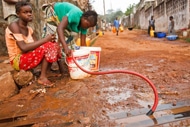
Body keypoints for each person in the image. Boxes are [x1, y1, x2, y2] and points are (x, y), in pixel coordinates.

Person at [5, 1, 63, 87]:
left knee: (53, 44)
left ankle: (58, 72)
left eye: (30, 12)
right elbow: (23, 48)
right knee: (48, 45)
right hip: (17, 61)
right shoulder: (14, 26)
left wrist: (48, 41)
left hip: (27, 57)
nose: (29, 14)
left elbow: (38, 45)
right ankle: (42, 77)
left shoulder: (29, 29)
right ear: (18, 14)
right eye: (25, 12)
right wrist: (45, 40)